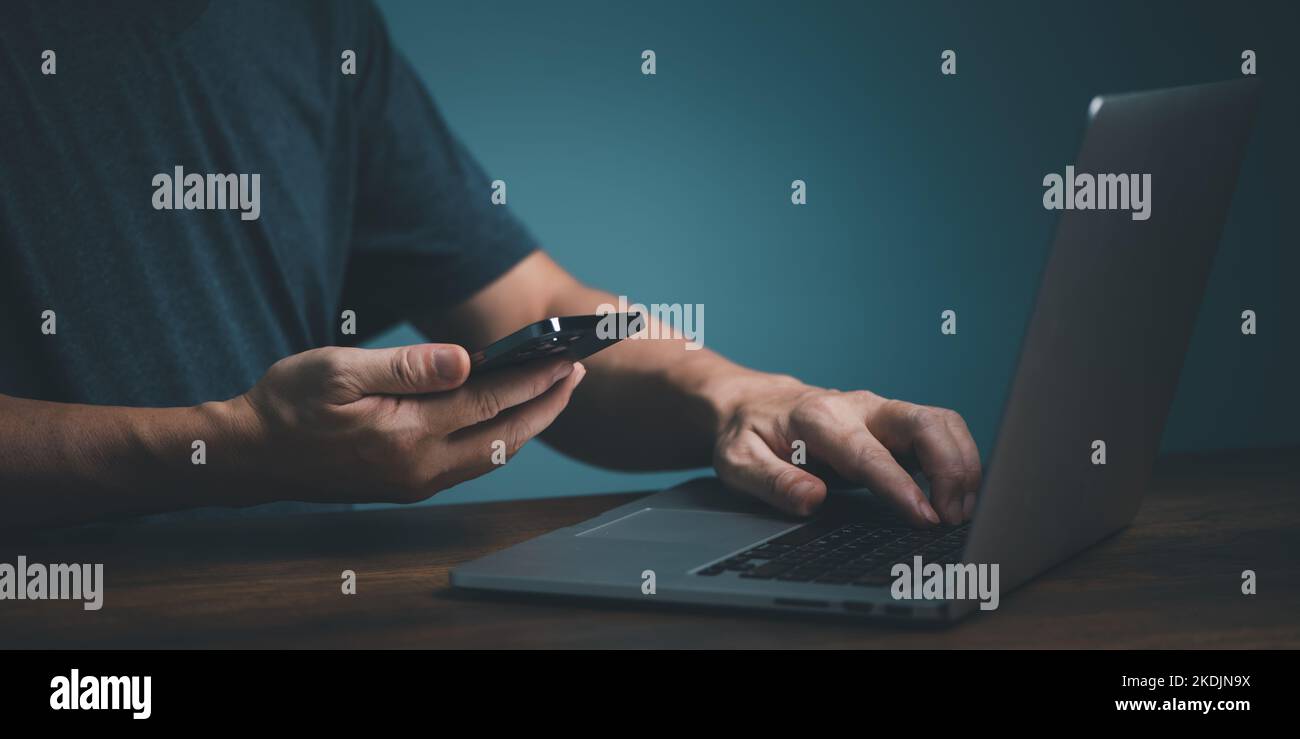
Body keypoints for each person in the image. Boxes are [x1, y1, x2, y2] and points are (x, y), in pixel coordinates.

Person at [0, 0, 980, 529]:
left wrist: (741, 399)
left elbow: (533, 304)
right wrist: (229, 449)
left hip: (278, 608)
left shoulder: (313, 24)